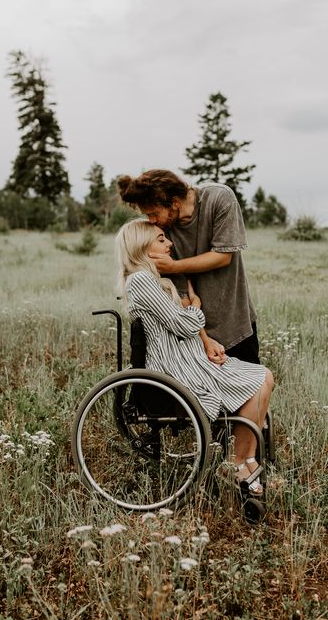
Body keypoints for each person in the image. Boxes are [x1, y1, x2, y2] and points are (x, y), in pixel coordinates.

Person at [116, 218, 274, 494]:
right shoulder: (140, 280)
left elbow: (177, 324)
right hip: (176, 371)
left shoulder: (151, 280)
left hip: (188, 361)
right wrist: (196, 307)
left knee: (262, 378)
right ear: (142, 246)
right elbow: (182, 324)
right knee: (261, 378)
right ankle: (237, 462)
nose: (170, 244)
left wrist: (200, 331)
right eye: (161, 239)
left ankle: (246, 458)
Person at [117, 169, 260, 366]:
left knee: (255, 385)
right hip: (194, 331)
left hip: (235, 320)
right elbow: (181, 294)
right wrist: (204, 339)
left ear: (174, 202)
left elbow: (223, 256)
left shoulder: (219, 198)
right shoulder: (162, 232)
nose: (151, 221)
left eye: (153, 213)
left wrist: (174, 266)